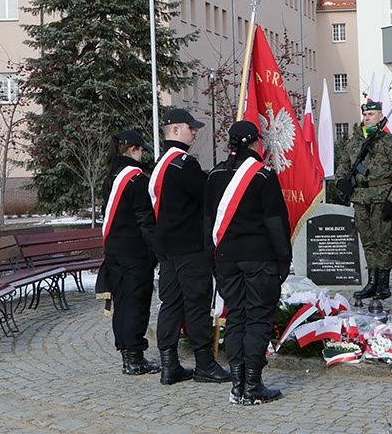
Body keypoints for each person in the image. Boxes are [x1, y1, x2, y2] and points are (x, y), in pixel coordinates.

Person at [204, 121, 291, 405]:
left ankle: (238, 384)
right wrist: (283, 261)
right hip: (259, 258)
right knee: (257, 320)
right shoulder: (263, 175)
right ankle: (252, 386)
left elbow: (207, 225)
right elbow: (276, 224)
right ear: (255, 143)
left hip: (226, 258)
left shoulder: (214, 175)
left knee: (236, 319)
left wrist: (212, 261)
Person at [151, 108, 230, 386]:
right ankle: (204, 364)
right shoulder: (184, 163)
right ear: (174, 130)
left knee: (170, 304)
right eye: (190, 128)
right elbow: (207, 195)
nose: (194, 132)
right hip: (189, 246)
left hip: (167, 246)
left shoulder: (161, 163)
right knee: (196, 305)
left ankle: (169, 364)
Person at [336, 100, 392, 302]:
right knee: (368, 242)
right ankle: (372, 281)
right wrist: (341, 182)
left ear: (379, 116)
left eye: (371, 115)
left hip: (382, 197)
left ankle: (383, 284)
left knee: (382, 241)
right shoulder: (354, 143)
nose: (367, 118)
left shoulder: (389, 142)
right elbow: (342, 167)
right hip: (360, 198)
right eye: (365, 115)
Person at [100, 129, 160, 376]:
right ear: (134, 150)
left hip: (114, 250)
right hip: (135, 252)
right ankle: (135, 357)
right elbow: (146, 221)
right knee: (137, 303)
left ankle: (127, 353)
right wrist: (155, 252)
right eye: (141, 150)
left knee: (122, 302)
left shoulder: (110, 178)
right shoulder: (137, 180)